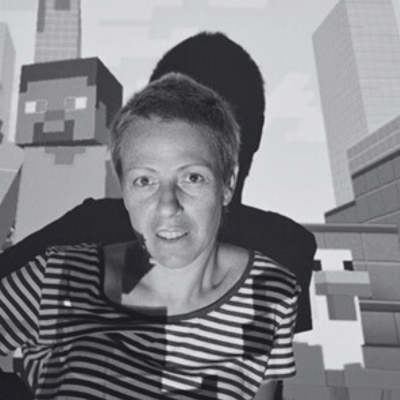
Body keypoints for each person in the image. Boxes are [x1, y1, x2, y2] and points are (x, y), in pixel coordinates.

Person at [1, 73, 299, 399]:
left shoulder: (271, 290)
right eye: (144, 181)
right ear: (124, 190)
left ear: (227, 184)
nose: (168, 205)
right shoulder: (59, 277)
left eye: (193, 177)